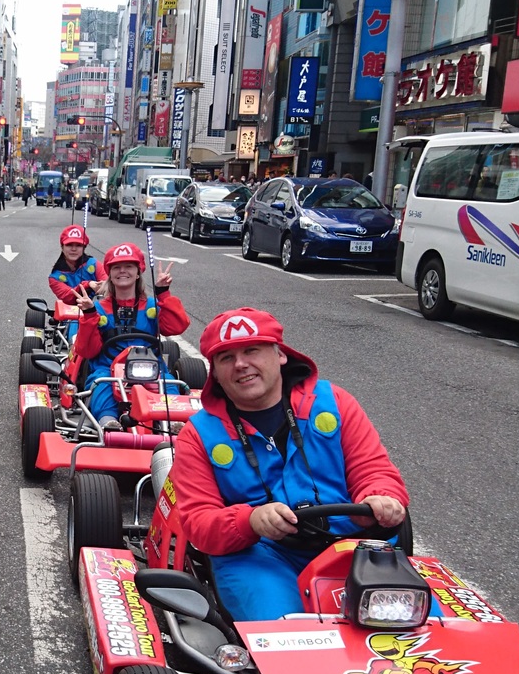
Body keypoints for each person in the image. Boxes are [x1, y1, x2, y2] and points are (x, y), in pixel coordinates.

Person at [169, 308, 410, 622]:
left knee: (417, 628)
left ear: (280, 354)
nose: (241, 364)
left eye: (251, 350)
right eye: (226, 358)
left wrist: (379, 499)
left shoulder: (335, 403)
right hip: (260, 555)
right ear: (214, 370)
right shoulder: (198, 436)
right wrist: (251, 520)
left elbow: (374, 470)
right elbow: (199, 524)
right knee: (288, 636)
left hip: (350, 546)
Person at [72, 242, 188, 430]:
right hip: (108, 367)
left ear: (138, 272)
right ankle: (108, 423)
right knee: (101, 384)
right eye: (117, 267)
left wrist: (163, 294)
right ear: (109, 273)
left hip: (150, 367)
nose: (122, 271)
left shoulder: (151, 306)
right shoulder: (99, 308)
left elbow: (177, 326)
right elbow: (86, 350)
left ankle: (172, 422)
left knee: (167, 383)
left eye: (128, 266)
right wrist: (89, 315)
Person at [48, 224, 102, 305]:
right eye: (69, 245)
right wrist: (88, 285)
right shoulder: (54, 278)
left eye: (78, 245)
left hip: (98, 312)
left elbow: (108, 286)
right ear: (62, 247)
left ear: (84, 248)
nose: (73, 249)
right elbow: (68, 297)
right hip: (71, 313)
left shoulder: (95, 264)